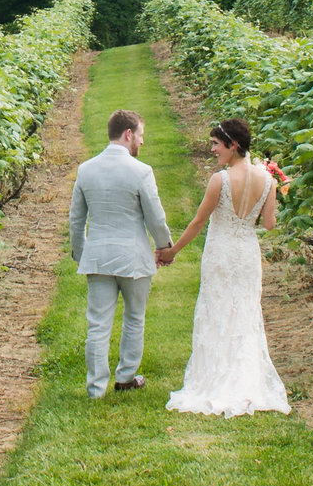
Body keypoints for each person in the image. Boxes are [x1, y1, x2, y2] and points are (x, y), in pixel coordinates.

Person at [162, 116, 291, 417]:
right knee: (245, 312)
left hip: (220, 253)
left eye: (216, 145)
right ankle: (247, 382)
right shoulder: (269, 180)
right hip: (246, 254)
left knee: (217, 310)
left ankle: (214, 380)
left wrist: (172, 252)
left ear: (233, 146)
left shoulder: (219, 180)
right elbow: (270, 225)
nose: (213, 150)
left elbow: (198, 222)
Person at [68, 108, 174, 399]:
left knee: (98, 323)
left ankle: (95, 388)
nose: (142, 142)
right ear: (128, 134)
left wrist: (80, 252)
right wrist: (165, 247)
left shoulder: (86, 169)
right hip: (133, 256)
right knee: (134, 317)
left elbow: (76, 219)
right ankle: (126, 376)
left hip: (98, 256)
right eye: (140, 136)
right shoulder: (141, 171)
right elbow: (155, 217)